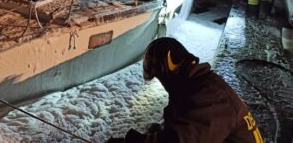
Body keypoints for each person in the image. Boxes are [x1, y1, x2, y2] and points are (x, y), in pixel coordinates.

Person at [107, 38, 262, 143]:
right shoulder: (196, 86)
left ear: (169, 68)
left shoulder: (212, 98)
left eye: (161, 78)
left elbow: (182, 140)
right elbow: (187, 127)